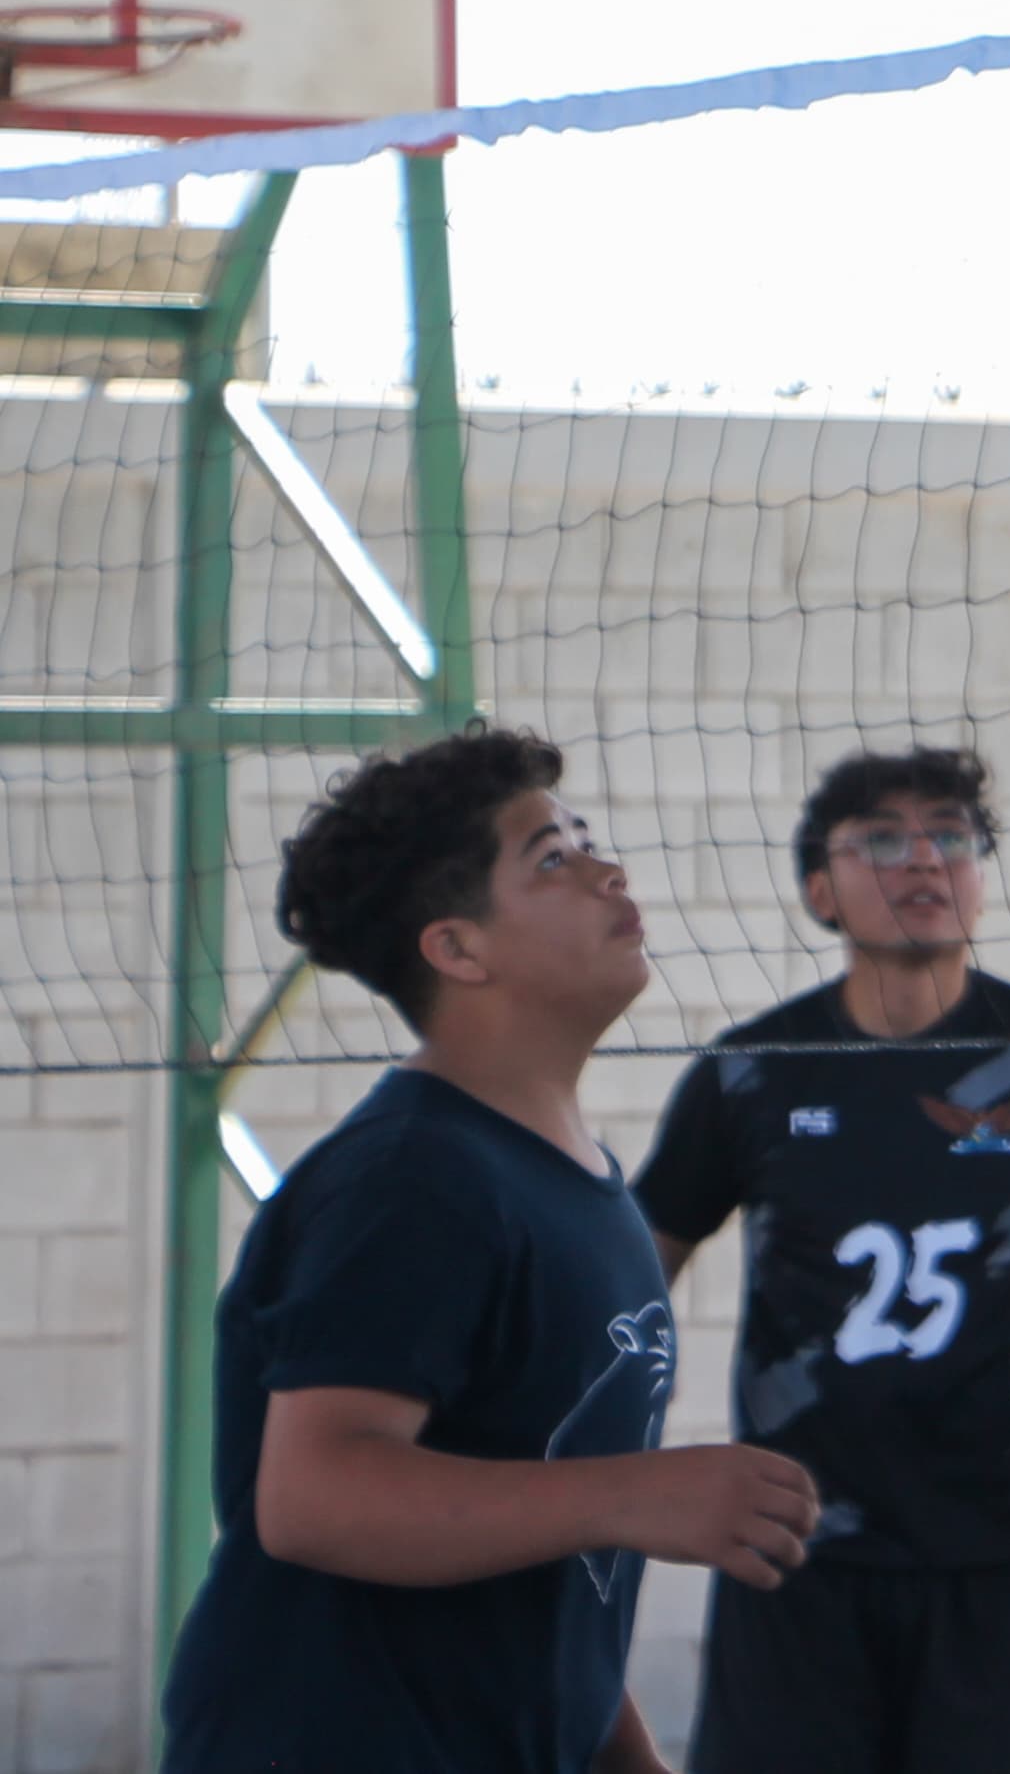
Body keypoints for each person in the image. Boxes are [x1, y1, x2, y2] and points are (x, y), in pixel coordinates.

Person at [161, 725, 821, 1774]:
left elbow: (545, 1558)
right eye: (551, 859)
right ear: (458, 949)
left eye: (587, 839)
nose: (608, 869)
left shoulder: (572, 1176)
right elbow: (315, 1496)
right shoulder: (416, 1178)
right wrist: (636, 1493)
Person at [633, 745, 1010, 1774]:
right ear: (821, 888)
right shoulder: (755, 1072)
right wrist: (622, 1470)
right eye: (883, 841)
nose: (924, 862)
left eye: (951, 834)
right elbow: (629, 1285)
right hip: (798, 1544)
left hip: (1005, 1540)